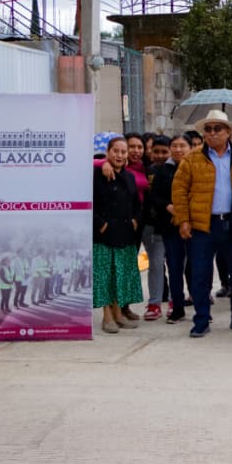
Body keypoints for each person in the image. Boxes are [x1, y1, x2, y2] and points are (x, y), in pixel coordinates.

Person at [172, 109, 232, 338]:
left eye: (218, 128)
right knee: (200, 273)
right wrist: (183, 220)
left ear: (228, 132)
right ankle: (201, 320)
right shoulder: (192, 158)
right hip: (202, 225)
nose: (212, 133)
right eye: (208, 129)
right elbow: (179, 190)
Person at [93, 136, 143, 333]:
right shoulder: (97, 174)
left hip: (125, 234)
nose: (120, 155)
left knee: (119, 275)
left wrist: (135, 221)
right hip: (104, 235)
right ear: (108, 152)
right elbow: (91, 204)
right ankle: (107, 317)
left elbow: (137, 204)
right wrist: (101, 225)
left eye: (123, 152)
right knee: (105, 276)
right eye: (116, 151)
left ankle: (118, 313)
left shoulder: (129, 177)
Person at [148, 135, 189, 324]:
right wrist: (169, 207)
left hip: (193, 224)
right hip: (170, 225)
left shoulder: (195, 167)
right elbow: (154, 196)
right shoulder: (162, 170)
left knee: (195, 268)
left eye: (183, 146)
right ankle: (176, 306)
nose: (179, 149)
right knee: (173, 266)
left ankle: (199, 305)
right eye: (175, 146)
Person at [139, 135, 173, 320]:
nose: (160, 155)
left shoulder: (177, 169)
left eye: (164, 152)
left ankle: (175, 300)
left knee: (175, 264)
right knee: (156, 263)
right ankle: (154, 303)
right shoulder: (146, 171)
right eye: (156, 151)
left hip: (173, 224)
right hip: (151, 225)